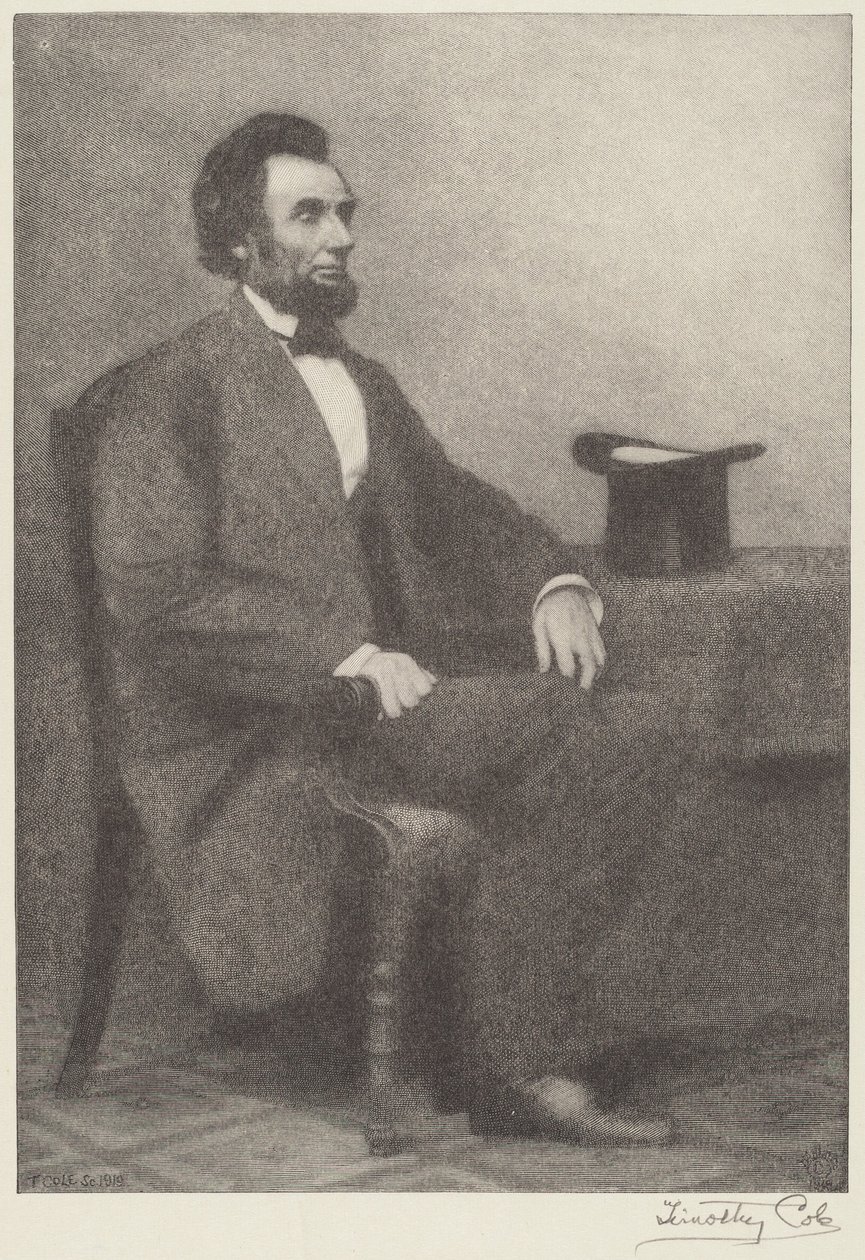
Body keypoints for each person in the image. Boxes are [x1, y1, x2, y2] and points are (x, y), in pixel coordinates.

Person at [80, 112, 693, 1145]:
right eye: (308, 216)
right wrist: (343, 656)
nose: (341, 236)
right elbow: (158, 597)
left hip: (375, 705)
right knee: (566, 725)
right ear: (240, 241)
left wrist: (553, 582)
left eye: (345, 213)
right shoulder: (168, 390)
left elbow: (459, 507)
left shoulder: (361, 379)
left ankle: (505, 1036)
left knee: (647, 725)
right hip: (251, 734)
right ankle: (513, 1063)